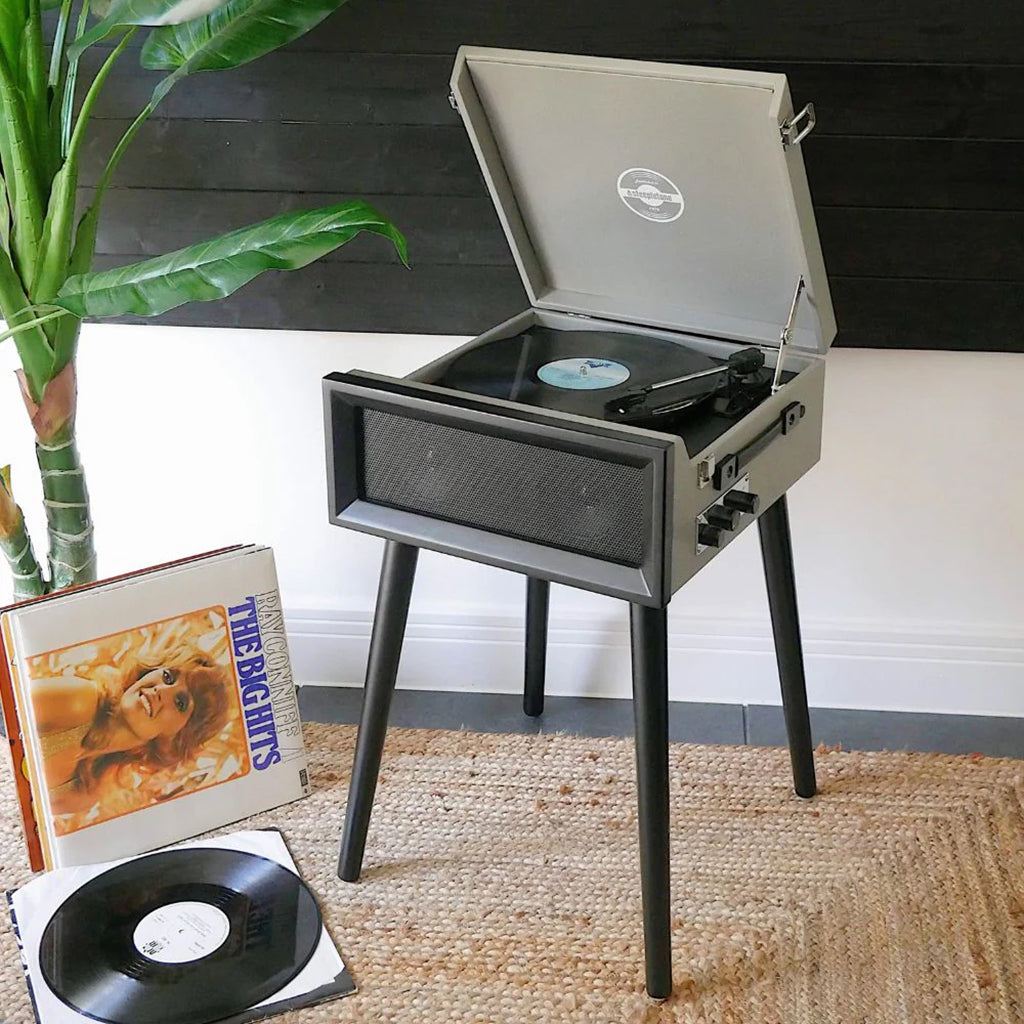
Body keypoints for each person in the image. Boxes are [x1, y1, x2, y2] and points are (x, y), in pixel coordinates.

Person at [30, 645, 233, 816]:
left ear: (179, 736)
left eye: (180, 702)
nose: (161, 690)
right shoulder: (78, 699)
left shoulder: (92, 790)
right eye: (168, 676)